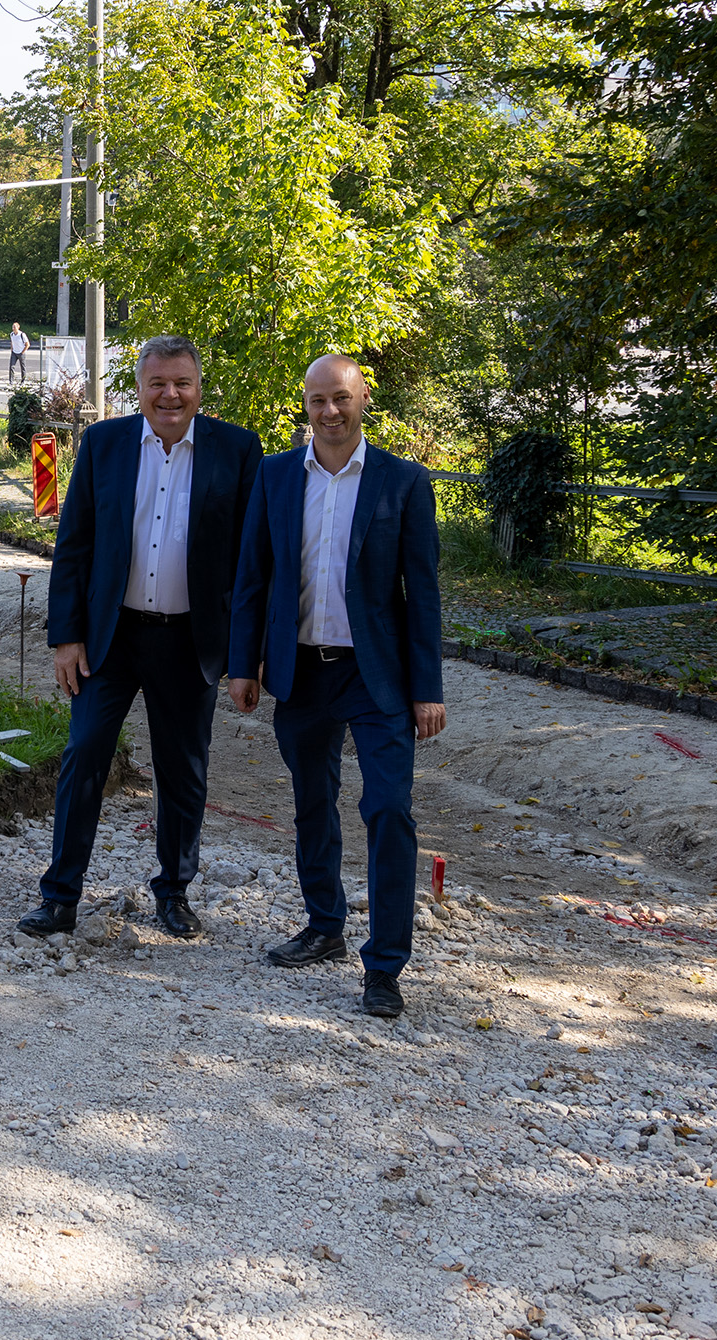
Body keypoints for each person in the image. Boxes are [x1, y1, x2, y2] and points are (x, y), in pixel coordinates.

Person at [22, 335, 263, 942]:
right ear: (140, 388)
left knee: (183, 771)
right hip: (112, 636)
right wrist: (66, 636)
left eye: (181, 383)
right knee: (84, 756)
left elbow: (254, 562)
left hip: (190, 641)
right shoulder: (105, 444)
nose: (170, 395)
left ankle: (174, 892)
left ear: (199, 388)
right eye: (157, 383)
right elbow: (74, 544)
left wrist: (246, 653)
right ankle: (60, 897)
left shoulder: (236, 450)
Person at [226, 355, 446, 1019]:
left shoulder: (401, 482)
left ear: (363, 400)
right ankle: (323, 926)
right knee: (312, 802)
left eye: (340, 399)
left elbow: (423, 593)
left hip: (375, 674)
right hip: (299, 669)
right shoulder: (272, 476)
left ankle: (384, 966)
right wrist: (243, 665)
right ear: (305, 404)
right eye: (317, 400)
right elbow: (251, 578)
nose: (329, 412)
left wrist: (427, 688)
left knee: (387, 808)